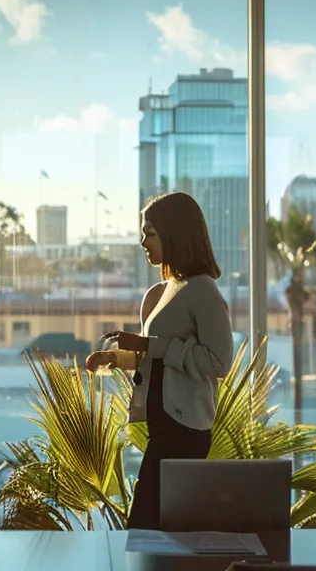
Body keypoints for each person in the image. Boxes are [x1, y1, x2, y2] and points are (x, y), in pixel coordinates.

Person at [86, 191, 233, 531]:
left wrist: (151, 344)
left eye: (149, 233)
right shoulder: (170, 288)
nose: (142, 242)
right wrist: (116, 358)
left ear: (175, 233)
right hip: (164, 426)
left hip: (184, 430)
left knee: (149, 527)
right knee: (152, 528)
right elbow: (157, 356)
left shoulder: (202, 291)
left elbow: (219, 361)